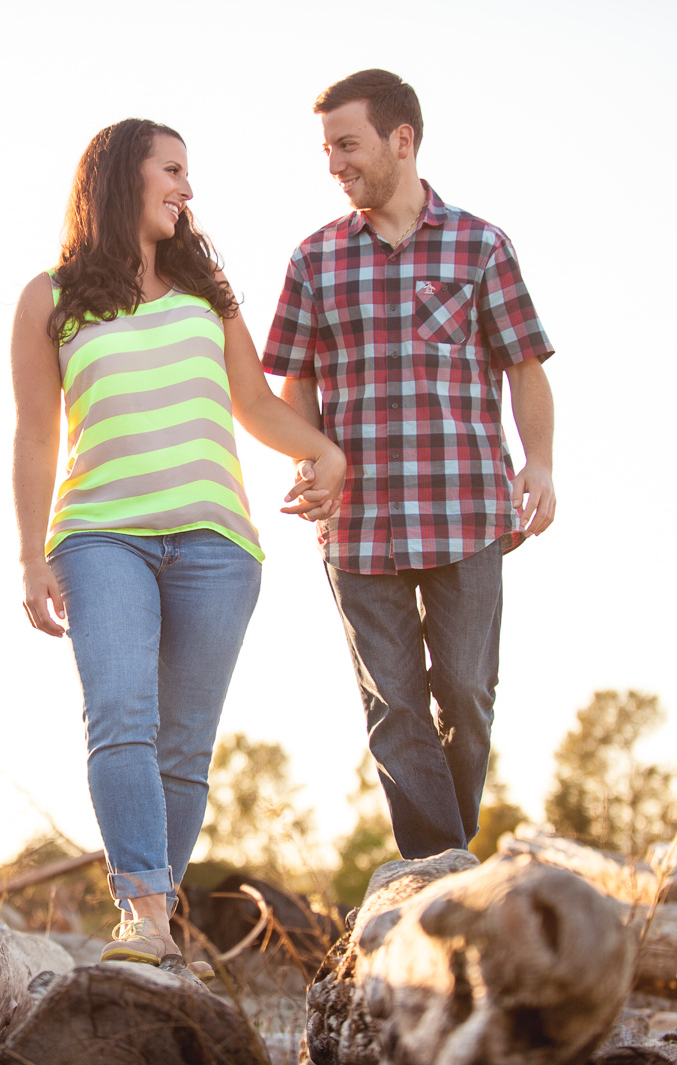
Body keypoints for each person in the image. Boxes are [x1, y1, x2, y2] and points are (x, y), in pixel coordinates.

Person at [11, 119, 346, 966]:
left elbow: (259, 407)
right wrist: (29, 552)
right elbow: (35, 439)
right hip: (100, 537)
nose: (187, 189)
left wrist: (323, 450)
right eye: (173, 170)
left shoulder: (209, 291)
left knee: (185, 745)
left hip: (217, 545)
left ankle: (156, 922)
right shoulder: (48, 298)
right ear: (123, 178)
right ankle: (148, 916)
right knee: (121, 716)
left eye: (187, 174)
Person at [263, 69, 557, 860]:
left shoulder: (481, 245)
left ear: (402, 140)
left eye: (348, 144)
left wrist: (542, 463)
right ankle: (444, 872)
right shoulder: (315, 259)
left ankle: (441, 863)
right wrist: (309, 456)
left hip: (466, 512)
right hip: (356, 528)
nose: (335, 164)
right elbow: (296, 379)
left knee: (465, 692)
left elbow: (525, 364)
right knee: (395, 707)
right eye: (327, 149)